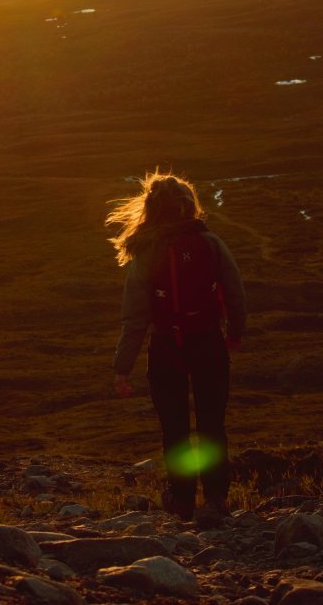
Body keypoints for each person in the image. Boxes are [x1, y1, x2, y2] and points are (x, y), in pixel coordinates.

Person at [107, 170, 246, 521]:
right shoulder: (211, 242)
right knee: (212, 423)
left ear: (151, 209)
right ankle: (216, 499)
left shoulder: (144, 250)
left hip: (167, 347)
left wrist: (123, 368)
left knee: (175, 428)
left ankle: (182, 500)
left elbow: (134, 317)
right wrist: (235, 333)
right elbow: (235, 292)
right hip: (208, 343)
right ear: (188, 206)